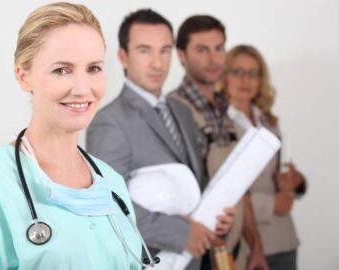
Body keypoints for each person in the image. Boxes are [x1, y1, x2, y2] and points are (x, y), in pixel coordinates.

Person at [0, 3, 146, 269]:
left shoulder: (111, 183)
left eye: (93, 68)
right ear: (24, 77)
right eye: (62, 70)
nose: (82, 89)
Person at [86, 9, 235, 270]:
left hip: (195, 260)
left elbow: (193, 183)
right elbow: (108, 203)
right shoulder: (108, 121)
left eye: (165, 50)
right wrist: (181, 234)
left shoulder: (181, 111)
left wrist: (216, 214)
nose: (157, 63)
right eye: (145, 50)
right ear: (123, 56)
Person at [169, 15, 268, 270]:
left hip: (230, 252)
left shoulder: (226, 111)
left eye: (218, 48)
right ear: (182, 55)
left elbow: (240, 187)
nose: (213, 59)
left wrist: (255, 247)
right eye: (202, 50)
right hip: (195, 254)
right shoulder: (172, 112)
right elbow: (173, 197)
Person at [222, 44, 307, 270]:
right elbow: (223, 188)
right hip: (246, 242)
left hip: (283, 237)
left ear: (261, 80)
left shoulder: (269, 123)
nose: (245, 80)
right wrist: (270, 205)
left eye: (253, 73)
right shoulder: (218, 125)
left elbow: (279, 176)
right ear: (225, 76)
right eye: (237, 71)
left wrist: (296, 182)